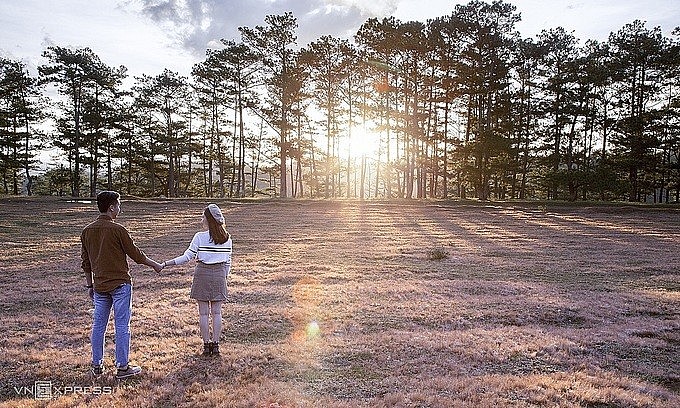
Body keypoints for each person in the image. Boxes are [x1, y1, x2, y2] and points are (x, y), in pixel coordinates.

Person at [81, 191, 163, 379]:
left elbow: (85, 263)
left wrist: (90, 286)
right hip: (120, 286)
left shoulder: (87, 231)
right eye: (118, 205)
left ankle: (96, 365)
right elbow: (136, 255)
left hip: (100, 287)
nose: (120, 209)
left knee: (98, 326)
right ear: (111, 207)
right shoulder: (118, 230)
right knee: (122, 326)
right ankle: (123, 367)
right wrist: (155, 265)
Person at [160, 203, 232, 356]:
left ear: (208, 219)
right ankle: (216, 345)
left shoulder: (199, 237)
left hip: (202, 274)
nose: (201, 220)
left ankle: (206, 346)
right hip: (219, 274)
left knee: (204, 313)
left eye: (203, 217)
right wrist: (224, 276)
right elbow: (228, 261)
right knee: (217, 313)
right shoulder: (227, 238)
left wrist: (167, 263)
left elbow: (187, 257)